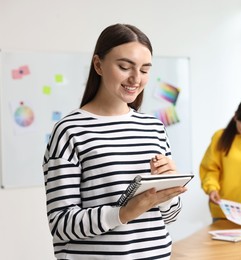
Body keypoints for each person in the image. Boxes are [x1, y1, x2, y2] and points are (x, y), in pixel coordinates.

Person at [42, 23, 187, 259]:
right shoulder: (70, 131)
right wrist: (123, 213)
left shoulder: (153, 127)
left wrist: (169, 189)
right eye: (124, 67)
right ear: (98, 64)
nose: (135, 79)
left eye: (144, 70)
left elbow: (170, 216)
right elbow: (60, 224)